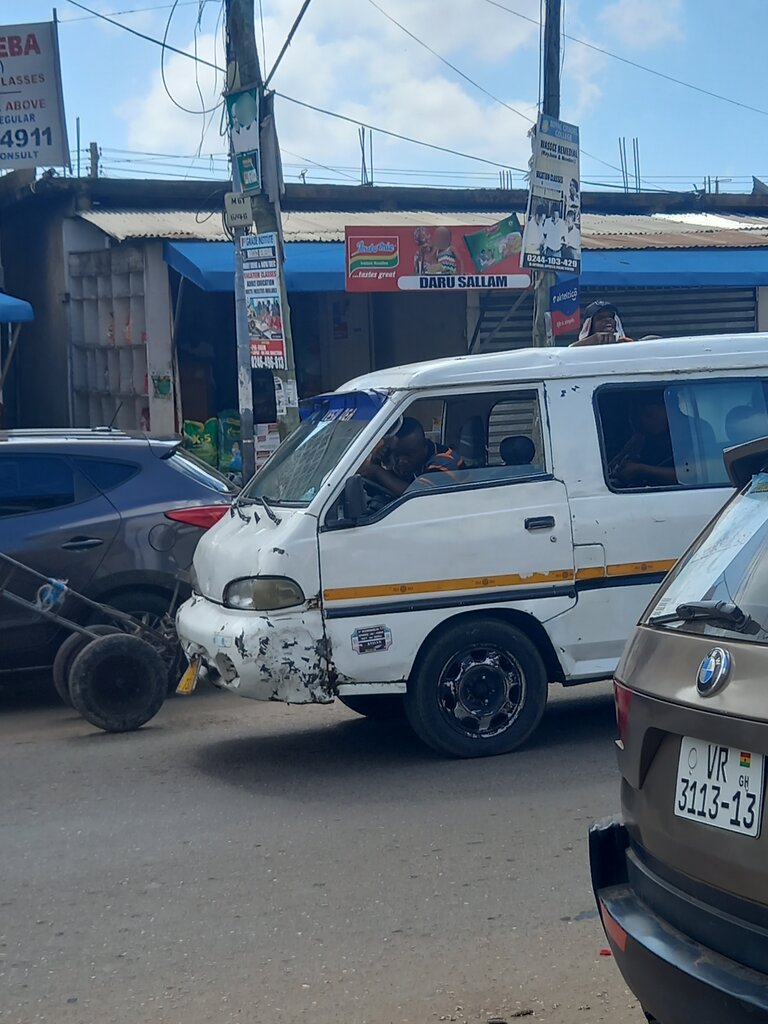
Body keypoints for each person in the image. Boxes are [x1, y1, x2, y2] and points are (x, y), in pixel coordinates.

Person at [359, 417, 465, 497]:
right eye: (397, 455)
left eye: (408, 455)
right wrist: (376, 460)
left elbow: (417, 494)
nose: (401, 461)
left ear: (424, 446)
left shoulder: (445, 460)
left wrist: (377, 471)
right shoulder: (403, 456)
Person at [609, 393, 677, 488]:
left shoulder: (693, 432)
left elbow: (691, 474)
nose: (643, 420)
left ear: (669, 408)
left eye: (649, 413)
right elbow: (613, 465)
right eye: (636, 414)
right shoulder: (641, 437)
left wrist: (641, 469)